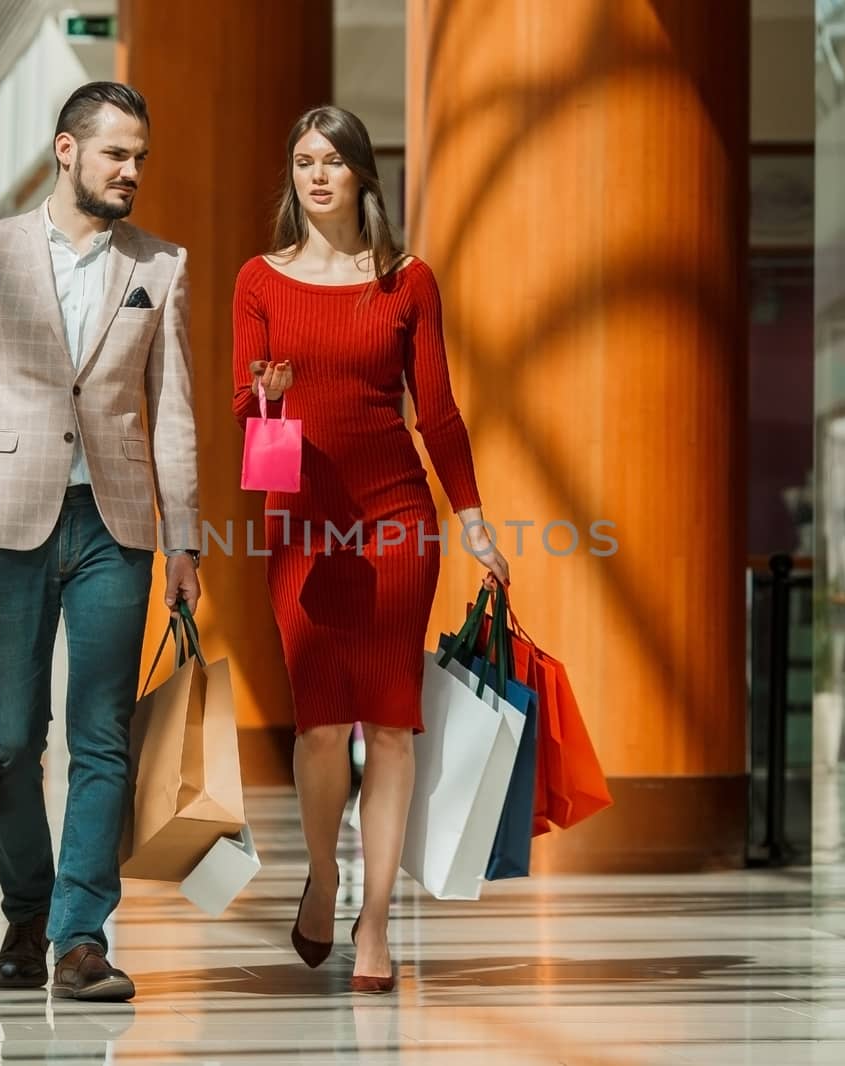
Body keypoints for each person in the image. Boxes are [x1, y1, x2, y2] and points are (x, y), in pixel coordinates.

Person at [0, 81, 202, 1002]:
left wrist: (184, 539)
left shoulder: (162, 265)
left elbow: (175, 413)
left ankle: (80, 937)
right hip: (3, 519)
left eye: (141, 156)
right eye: (117, 153)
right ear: (67, 150)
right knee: (9, 739)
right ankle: (25, 911)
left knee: (102, 735)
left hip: (118, 527)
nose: (132, 171)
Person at [231, 105, 510, 995]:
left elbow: (439, 413)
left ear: (362, 177)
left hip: (396, 519)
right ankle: (324, 877)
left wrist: (471, 519)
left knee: (390, 726)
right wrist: (268, 399)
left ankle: (378, 921)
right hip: (301, 521)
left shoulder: (408, 281)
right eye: (304, 160)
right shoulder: (258, 281)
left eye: (334, 161)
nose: (318, 175)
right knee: (319, 729)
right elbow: (246, 419)